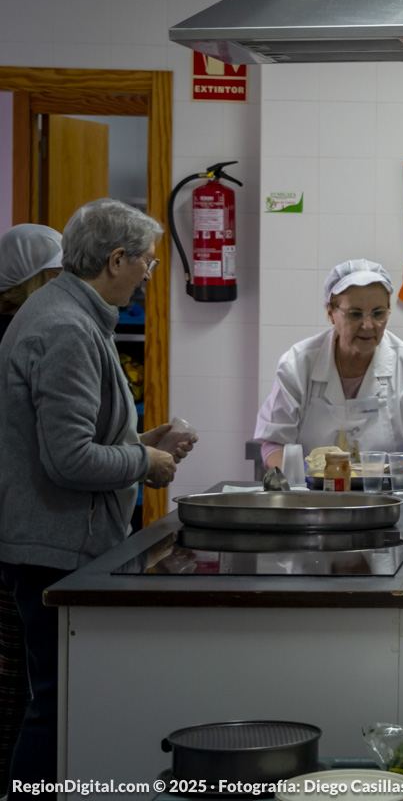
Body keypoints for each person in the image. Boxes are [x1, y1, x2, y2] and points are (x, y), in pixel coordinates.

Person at [0, 199, 197, 792]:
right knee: (56, 703)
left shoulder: (73, 315)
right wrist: (146, 461)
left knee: (64, 697)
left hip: (60, 542)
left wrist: (141, 441)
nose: (149, 273)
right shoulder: (65, 328)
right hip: (52, 549)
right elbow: (69, 460)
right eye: (148, 263)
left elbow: (74, 438)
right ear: (117, 259)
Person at [254, 259, 403, 474]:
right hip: (313, 498)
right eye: (355, 314)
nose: (368, 325)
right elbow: (274, 444)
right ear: (330, 312)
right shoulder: (298, 365)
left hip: (389, 496)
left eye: (378, 314)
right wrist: (300, 475)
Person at [0, 224, 63, 786]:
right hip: (24, 528)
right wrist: (138, 459)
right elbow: (61, 452)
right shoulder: (35, 332)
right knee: (36, 683)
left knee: (29, 675)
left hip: (16, 525)